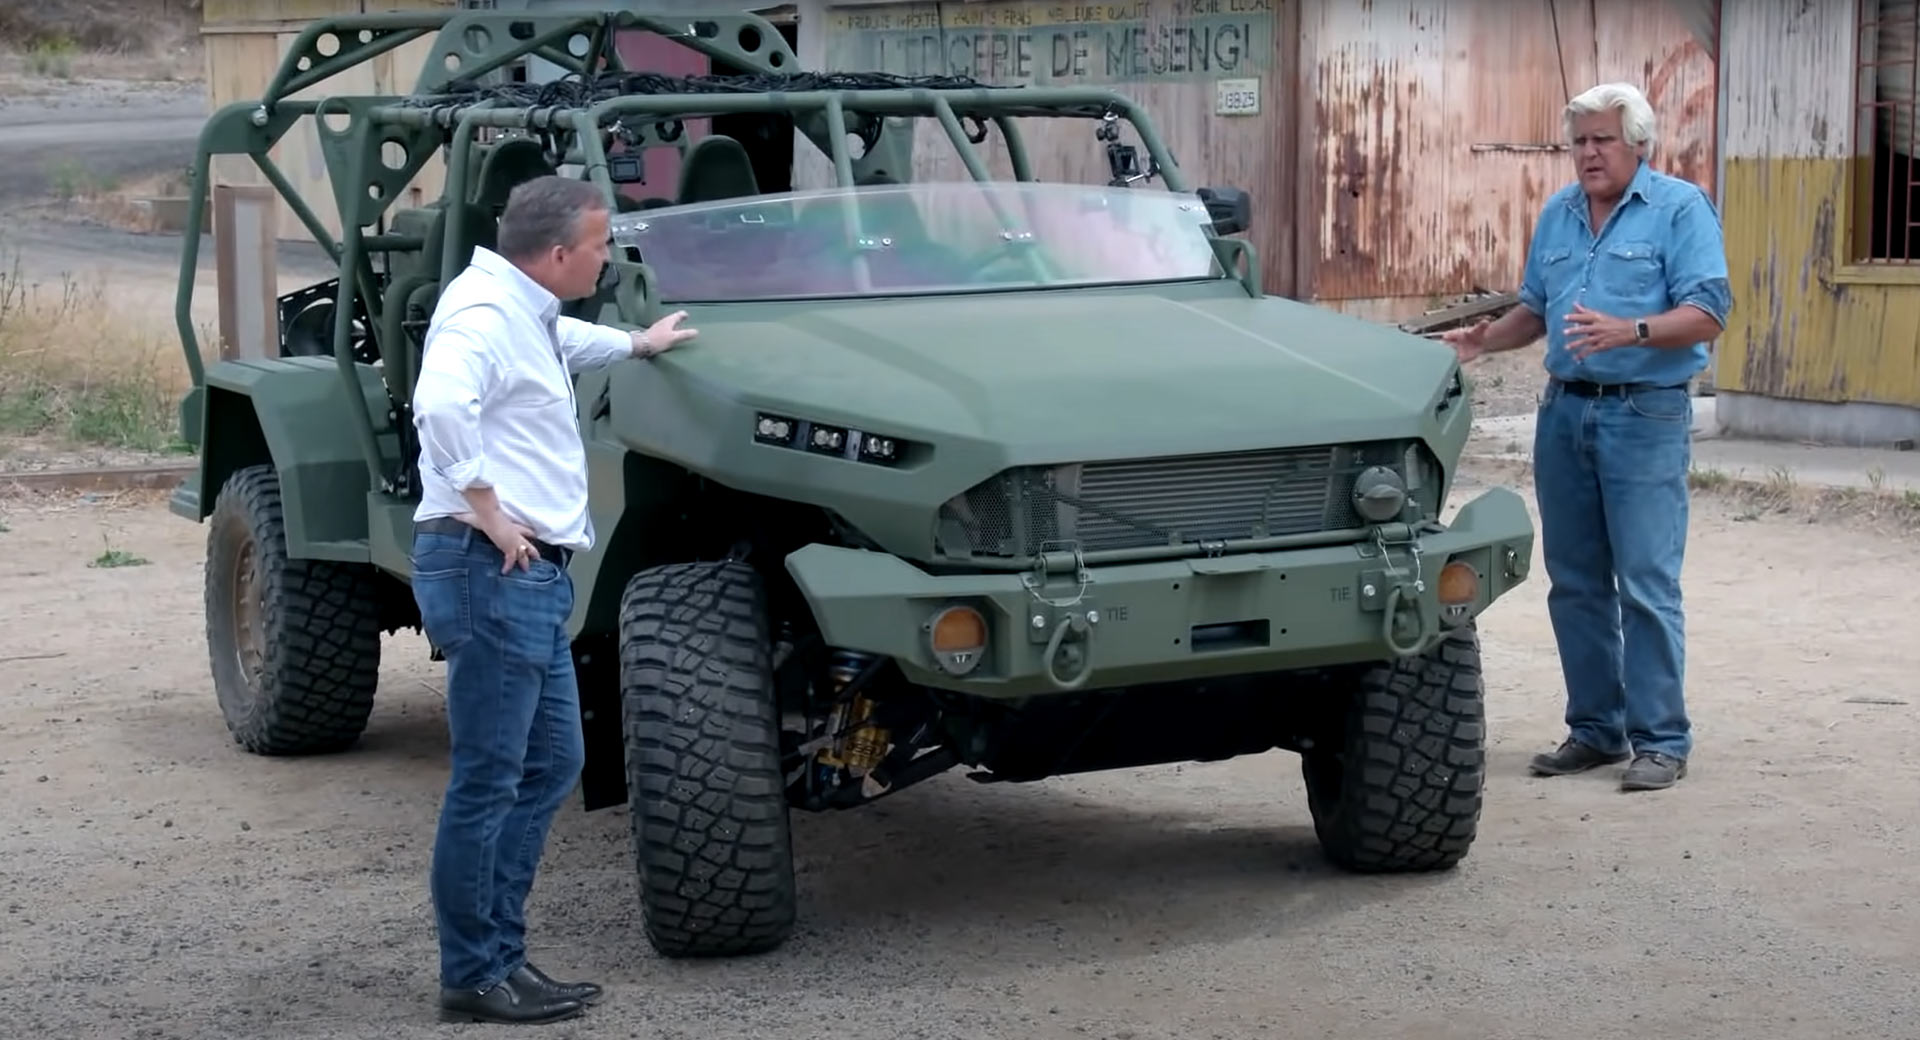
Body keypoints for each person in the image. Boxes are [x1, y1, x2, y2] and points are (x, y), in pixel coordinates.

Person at [408, 174, 698, 1024]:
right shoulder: (483, 316)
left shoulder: (520, 306)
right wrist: (491, 513)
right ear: (560, 251)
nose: (610, 258)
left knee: (551, 763)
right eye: (603, 246)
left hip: (522, 574)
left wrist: (635, 345)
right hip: (491, 565)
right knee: (490, 779)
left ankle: (501, 955)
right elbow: (439, 404)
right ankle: (474, 971)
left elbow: (557, 341)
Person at [1441, 82, 1731, 793]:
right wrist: (1484, 341)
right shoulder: (1560, 214)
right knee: (1574, 583)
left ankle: (1661, 739)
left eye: (1603, 140)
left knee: (1645, 582)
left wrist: (1630, 330)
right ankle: (1596, 729)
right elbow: (1538, 311)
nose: (1589, 154)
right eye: (1580, 141)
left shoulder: (1679, 210)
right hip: (1565, 413)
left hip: (1645, 415)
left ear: (1639, 143)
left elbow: (1709, 312)